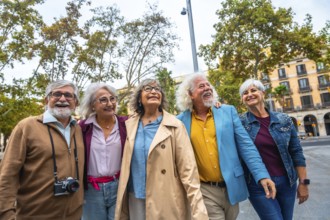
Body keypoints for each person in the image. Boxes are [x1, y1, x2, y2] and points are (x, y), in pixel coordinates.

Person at [176, 73, 276, 220]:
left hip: (231, 187)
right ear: (190, 94)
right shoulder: (180, 121)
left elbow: (246, 146)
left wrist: (262, 175)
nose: (207, 88)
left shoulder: (227, 111)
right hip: (203, 189)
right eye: (201, 86)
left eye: (208, 85)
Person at [115, 78, 208, 220]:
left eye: (157, 89)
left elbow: (188, 170)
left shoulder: (175, 125)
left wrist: (199, 210)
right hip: (135, 198)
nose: (153, 91)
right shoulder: (128, 125)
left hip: (166, 199)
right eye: (148, 88)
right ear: (139, 97)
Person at [0, 80, 84, 219]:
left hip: (73, 215)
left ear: (76, 102)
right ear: (46, 99)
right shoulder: (27, 127)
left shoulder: (79, 129)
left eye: (68, 95)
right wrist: (6, 214)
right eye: (56, 94)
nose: (62, 98)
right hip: (33, 215)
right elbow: (8, 174)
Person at [239, 78, 309, 220]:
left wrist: (303, 183)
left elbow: (297, 153)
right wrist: (217, 106)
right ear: (242, 99)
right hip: (257, 185)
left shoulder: (284, 119)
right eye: (245, 93)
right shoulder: (239, 123)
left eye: (253, 90)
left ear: (263, 93)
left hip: (287, 182)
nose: (249, 94)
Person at [79, 83, 128, 220]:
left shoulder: (126, 124)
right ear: (92, 105)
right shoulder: (82, 127)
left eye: (112, 99)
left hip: (119, 186)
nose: (110, 103)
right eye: (103, 100)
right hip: (91, 190)